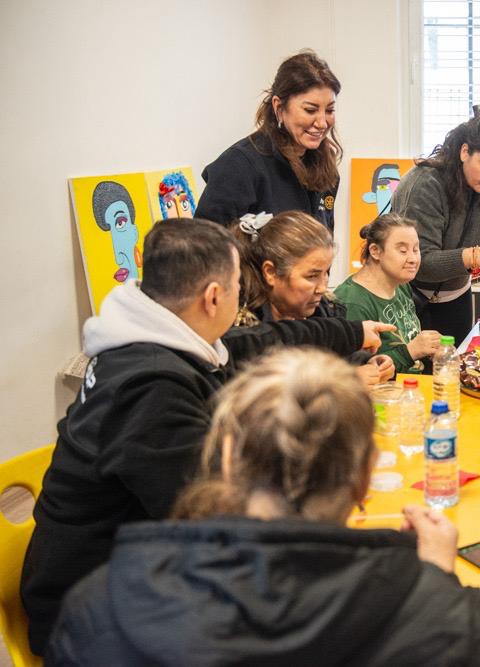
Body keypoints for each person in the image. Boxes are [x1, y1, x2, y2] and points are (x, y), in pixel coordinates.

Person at [21, 219, 391, 654]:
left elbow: (258, 341)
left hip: (131, 565)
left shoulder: (157, 338)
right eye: (238, 285)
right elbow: (211, 519)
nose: (241, 297)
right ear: (214, 297)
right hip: (92, 615)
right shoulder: (150, 387)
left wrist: (349, 332)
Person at [46, 348, 480, 666]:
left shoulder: (100, 602)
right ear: (363, 476)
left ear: (229, 457)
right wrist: (439, 580)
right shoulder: (434, 616)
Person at [392, 104, 480, 342]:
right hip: (407, 300)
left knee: (452, 372)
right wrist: (474, 257)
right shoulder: (426, 184)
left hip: (456, 300)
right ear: (464, 151)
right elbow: (419, 263)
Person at [229, 210, 394, 386]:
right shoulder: (241, 325)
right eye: (311, 276)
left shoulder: (324, 309)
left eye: (326, 273)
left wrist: (367, 362)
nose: (322, 288)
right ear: (271, 272)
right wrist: (341, 380)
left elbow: (340, 356)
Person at [196, 51, 342, 230]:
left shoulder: (325, 167)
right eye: (310, 110)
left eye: (329, 110)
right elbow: (204, 249)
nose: (322, 122)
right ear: (279, 107)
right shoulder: (239, 165)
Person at [335, 213, 442, 373]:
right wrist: (411, 351)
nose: (413, 259)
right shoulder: (352, 302)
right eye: (403, 251)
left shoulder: (401, 284)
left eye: (416, 249)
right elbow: (355, 374)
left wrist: (431, 348)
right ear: (375, 251)